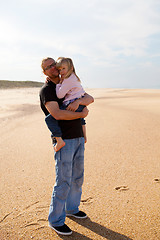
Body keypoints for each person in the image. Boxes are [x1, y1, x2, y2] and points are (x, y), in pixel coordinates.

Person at [39, 57, 94, 235]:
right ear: (45, 72)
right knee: (63, 180)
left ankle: (72, 208)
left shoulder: (67, 81)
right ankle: (55, 220)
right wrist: (81, 113)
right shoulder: (48, 90)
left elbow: (86, 97)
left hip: (77, 136)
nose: (52, 67)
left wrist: (80, 103)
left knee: (77, 177)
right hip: (64, 140)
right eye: (48, 67)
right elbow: (57, 114)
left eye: (53, 64)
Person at [45, 57, 87, 152]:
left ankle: (59, 140)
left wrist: (59, 84)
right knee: (81, 119)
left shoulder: (67, 81)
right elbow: (87, 96)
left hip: (73, 103)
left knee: (49, 119)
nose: (61, 72)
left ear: (71, 68)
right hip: (78, 101)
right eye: (59, 69)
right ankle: (84, 135)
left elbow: (60, 95)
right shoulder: (72, 77)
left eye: (63, 69)